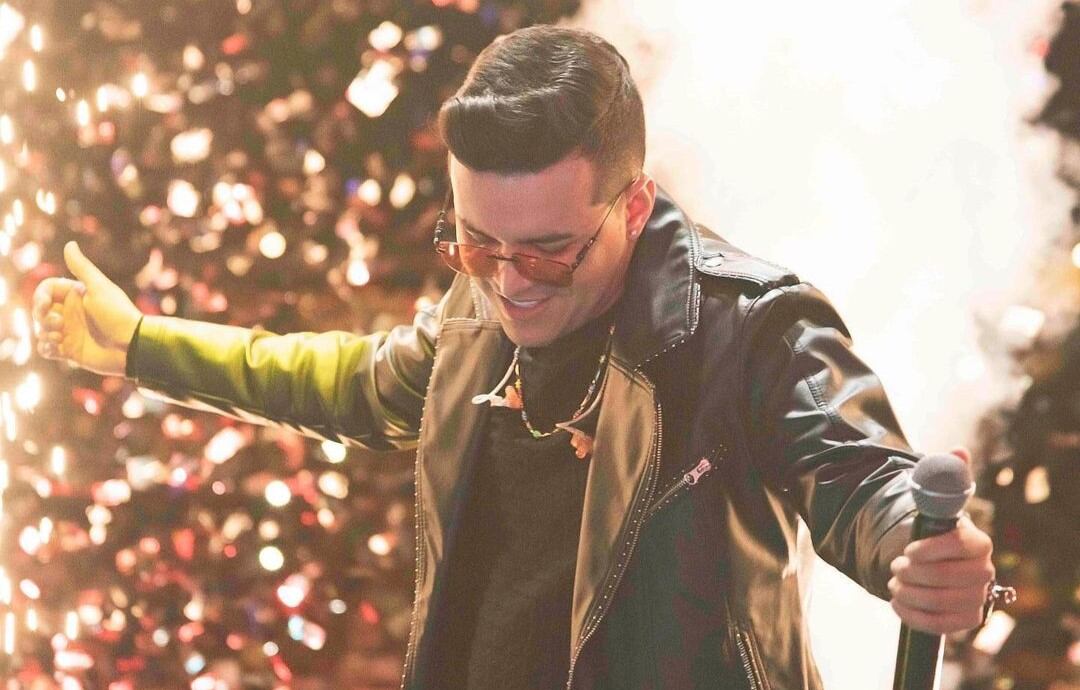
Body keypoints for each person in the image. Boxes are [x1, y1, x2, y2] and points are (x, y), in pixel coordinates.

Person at [32, 24, 1000, 690]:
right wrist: (144, 346)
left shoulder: (751, 330)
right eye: (475, 241)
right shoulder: (477, 307)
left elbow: (861, 478)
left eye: (548, 250)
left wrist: (924, 552)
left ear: (633, 204)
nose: (509, 281)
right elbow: (355, 385)